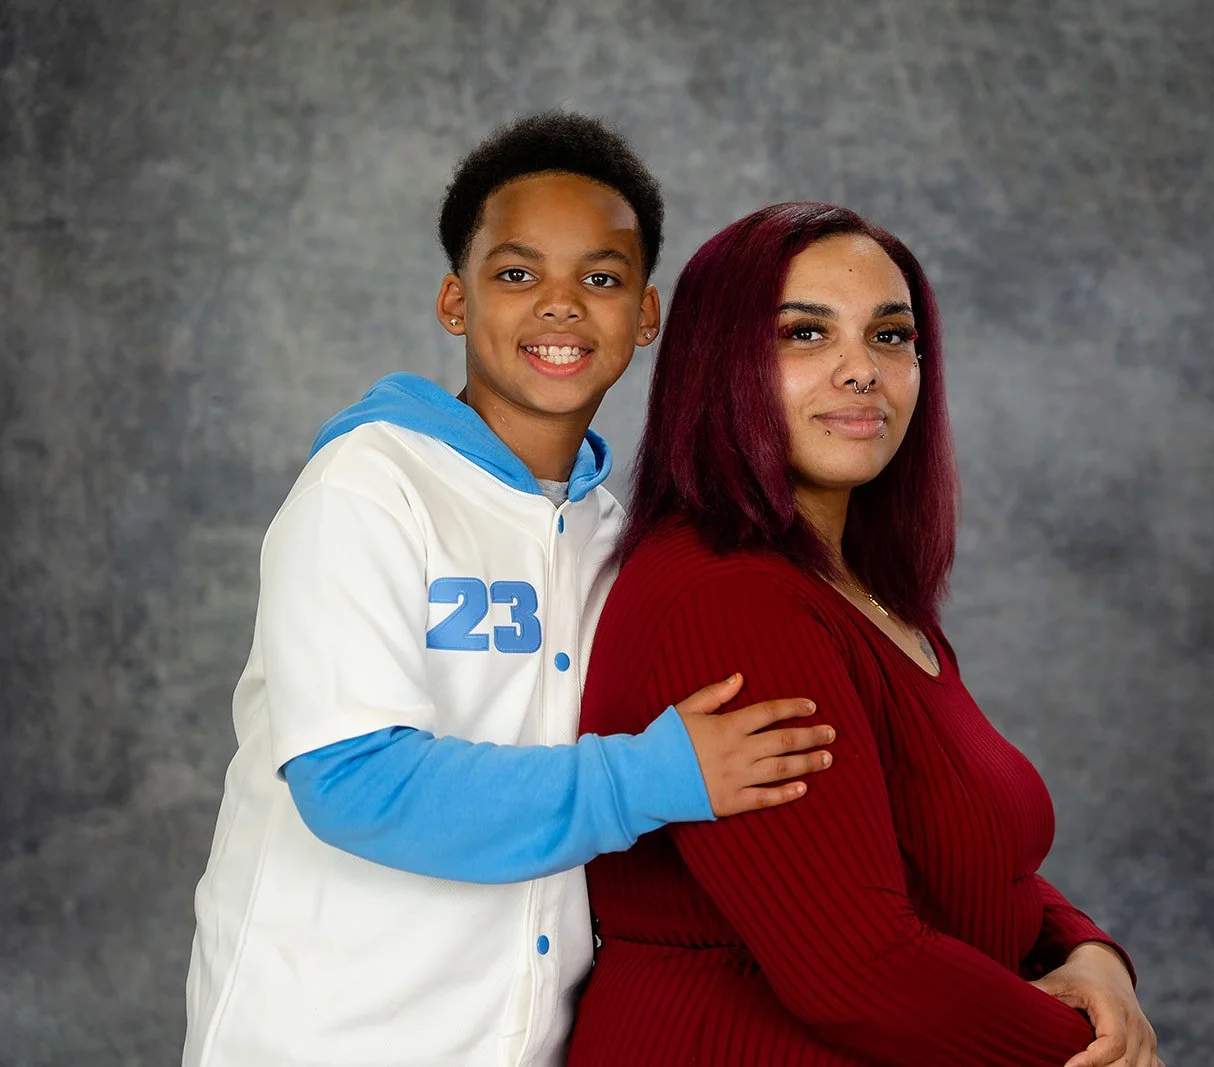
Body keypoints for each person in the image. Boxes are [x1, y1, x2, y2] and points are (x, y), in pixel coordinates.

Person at [182, 115, 836, 1067]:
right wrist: (652, 777)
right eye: (518, 273)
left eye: (601, 278)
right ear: (456, 300)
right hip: (320, 1037)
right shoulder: (369, 485)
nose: (561, 306)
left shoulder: (623, 541)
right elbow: (355, 783)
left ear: (647, 315)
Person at [570, 203, 1162, 1067]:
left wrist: (1090, 956)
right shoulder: (731, 600)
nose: (861, 371)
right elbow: (856, 967)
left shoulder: (863, 593)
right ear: (716, 365)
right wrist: (1092, 1053)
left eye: (891, 336)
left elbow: (972, 850)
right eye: (805, 335)